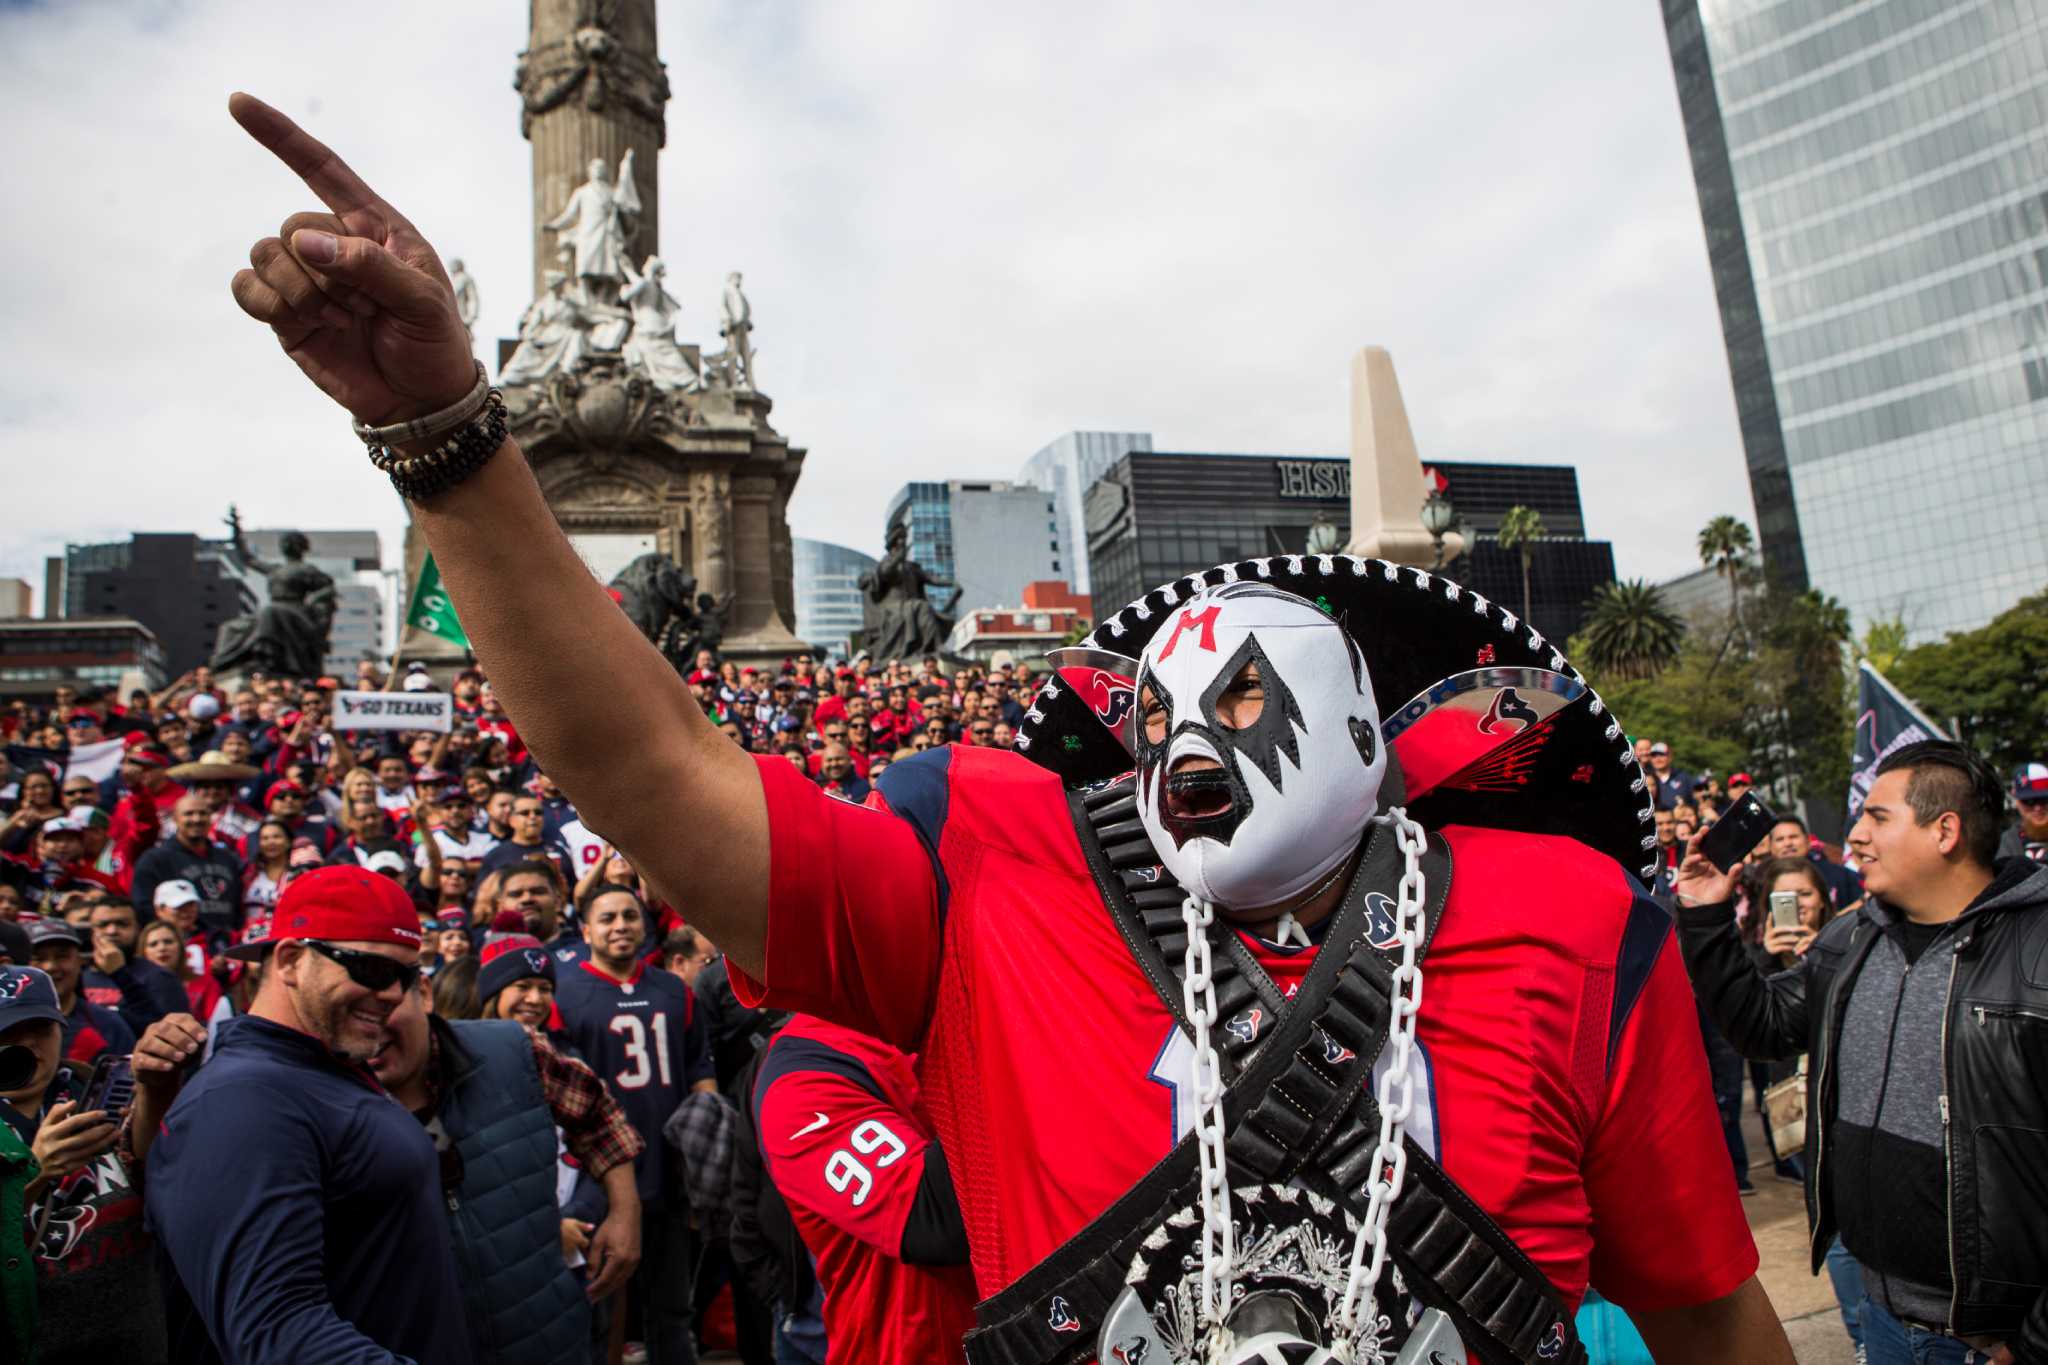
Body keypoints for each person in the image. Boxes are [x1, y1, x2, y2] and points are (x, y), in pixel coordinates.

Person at [223, 99, 1789, 1363]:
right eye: (1164, 707)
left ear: (1366, 727)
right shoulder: (992, 864)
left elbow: (1708, 1311)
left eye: (1246, 694)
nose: (1195, 735)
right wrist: (438, 432)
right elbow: (658, 771)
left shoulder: (1574, 923)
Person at [1677, 740, 2048, 1365]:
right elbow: (1763, 1027)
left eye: (1877, 817)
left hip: (1993, 1342)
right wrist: (1706, 915)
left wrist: (2034, 1343)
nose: (1855, 835)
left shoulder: (2035, 954)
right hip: (1881, 1317)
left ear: (1945, 831)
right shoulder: (1852, 938)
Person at [145, 864, 474, 1364]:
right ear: (291, 960)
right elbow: (277, 1330)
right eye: (370, 968)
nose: (391, 994)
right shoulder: (244, 1100)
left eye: (407, 976)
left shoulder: (327, 1064)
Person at [369, 961, 645, 1365]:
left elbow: (597, 1114)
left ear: (423, 993)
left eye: (382, 1006)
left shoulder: (513, 1051)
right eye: (349, 1011)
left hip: (546, 1337)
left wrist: (625, 1210)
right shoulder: (321, 1094)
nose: (368, 1028)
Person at [750, 1013, 976, 1363]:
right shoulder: (800, 1075)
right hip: (910, 1347)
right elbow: (932, 1221)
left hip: (1024, 1324)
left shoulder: (926, 1011)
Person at [553, 885, 716, 1365]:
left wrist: (701, 1152)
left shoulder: (672, 989)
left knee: (672, 1307)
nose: (620, 925)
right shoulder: (565, 993)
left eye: (629, 915)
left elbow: (699, 1070)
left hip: (668, 1168)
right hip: (598, 1177)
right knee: (601, 1308)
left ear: (645, 925)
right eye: (606, 919)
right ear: (585, 931)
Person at [129, 793, 244, 944]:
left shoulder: (227, 858)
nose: (196, 819)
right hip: (181, 946)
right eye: (189, 814)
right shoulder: (155, 860)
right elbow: (143, 907)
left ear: (211, 817)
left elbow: (237, 904)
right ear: (175, 819)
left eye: (203, 813)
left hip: (226, 944)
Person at [29, 919, 137, 1065]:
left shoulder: (108, 1025)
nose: (50, 966)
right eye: (39, 958)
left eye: (62, 956)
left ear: (80, 961)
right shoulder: (8, 1022)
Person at [81, 893, 189, 1029]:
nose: (112, 931)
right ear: (91, 931)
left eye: (122, 924)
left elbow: (173, 1035)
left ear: (137, 929)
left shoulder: (159, 977)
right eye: (103, 925)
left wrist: (119, 973)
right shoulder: (77, 975)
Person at [2000, 761, 2048, 863]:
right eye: (2029, 801)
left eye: (2043, 800)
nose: (2038, 808)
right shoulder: (2007, 844)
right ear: (2017, 802)